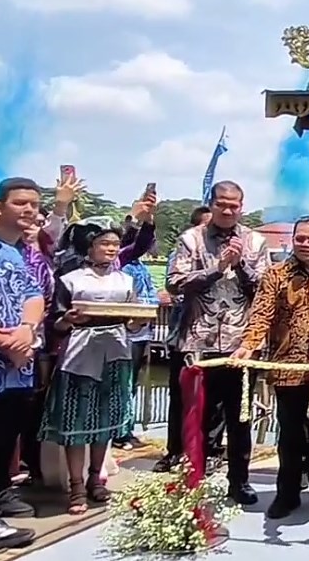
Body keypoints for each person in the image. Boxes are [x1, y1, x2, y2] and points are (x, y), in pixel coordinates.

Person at [235, 216, 309, 519]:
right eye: (300, 238)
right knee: (289, 435)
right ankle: (287, 494)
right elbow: (261, 314)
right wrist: (249, 344)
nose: (306, 244)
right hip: (287, 367)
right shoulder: (276, 274)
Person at [165, 181, 269, 504]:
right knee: (195, 416)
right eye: (221, 203)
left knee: (240, 418)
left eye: (233, 205)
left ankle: (239, 481)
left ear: (242, 207)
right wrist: (216, 268)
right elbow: (174, 283)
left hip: (241, 344)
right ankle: (190, 479)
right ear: (211, 204)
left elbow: (265, 289)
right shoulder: (190, 239)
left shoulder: (255, 241)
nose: (227, 210)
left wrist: (240, 265)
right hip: (199, 342)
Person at [40, 222, 143, 515]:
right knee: (76, 423)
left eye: (115, 244)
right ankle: (75, 485)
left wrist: (138, 322)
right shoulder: (71, 279)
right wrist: (69, 320)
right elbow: (55, 324)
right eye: (104, 244)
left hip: (116, 351)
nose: (111, 249)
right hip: (80, 354)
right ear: (90, 247)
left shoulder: (125, 280)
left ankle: (95, 478)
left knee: (106, 420)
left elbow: (132, 321)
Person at [0, 178, 46, 548]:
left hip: (16, 370)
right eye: (20, 203)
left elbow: (33, 294)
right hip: (5, 357)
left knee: (3, 439)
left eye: (34, 203)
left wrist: (27, 330)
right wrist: (6, 342)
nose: (29, 210)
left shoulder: (17, 252)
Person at [153, 205, 210, 473]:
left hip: (220, 339)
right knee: (180, 397)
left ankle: (207, 452)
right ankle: (174, 450)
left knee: (213, 402)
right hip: (185, 335)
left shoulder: (234, 250)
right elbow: (174, 285)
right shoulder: (184, 250)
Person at [114, 224, 160, 451]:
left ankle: (127, 428)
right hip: (128, 331)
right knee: (123, 383)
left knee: (132, 384)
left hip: (142, 331)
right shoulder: (122, 267)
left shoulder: (140, 266)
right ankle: (119, 432)